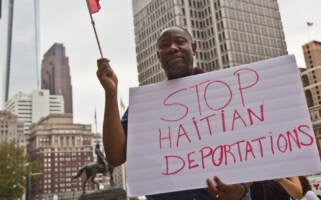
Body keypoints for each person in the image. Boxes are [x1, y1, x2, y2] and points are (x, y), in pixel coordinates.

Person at [97, 25, 300, 200]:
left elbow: (258, 148)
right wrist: (111, 93)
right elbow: (115, 157)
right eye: (164, 45)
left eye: (180, 42)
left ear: (193, 48)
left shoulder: (229, 92)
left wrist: (242, 189)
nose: (173, 48)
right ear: (158, 56)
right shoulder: (145, 107)